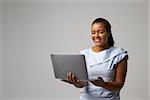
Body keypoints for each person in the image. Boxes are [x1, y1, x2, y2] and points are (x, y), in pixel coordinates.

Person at [63, 18, 128, 100]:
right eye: (93, 32)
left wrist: (103, 84)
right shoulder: (84, 54)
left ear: (108, 33)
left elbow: (119, 84)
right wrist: (75, 82)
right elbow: (82, 84)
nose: (96, 36)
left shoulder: (119, 54)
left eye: (100, 32)